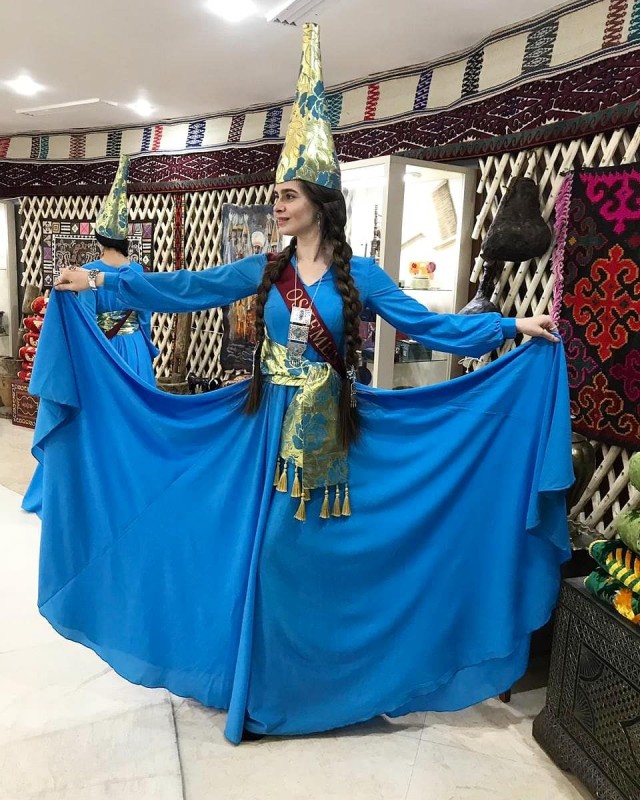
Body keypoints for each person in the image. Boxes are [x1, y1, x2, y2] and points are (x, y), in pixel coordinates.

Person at [41, 23, 571, 745]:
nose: (278, 205)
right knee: (251, 554)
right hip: (260, 431)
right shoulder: (265, 269)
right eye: (277, 195)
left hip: (329, 441)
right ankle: (257, 685)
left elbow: (432, 326)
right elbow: (186, 287)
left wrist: (509, 327)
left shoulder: (363, 276)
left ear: (319, 201)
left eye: (288, 194)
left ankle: (317, 687)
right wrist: (101, 283)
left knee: (305, 564)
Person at [22, 155, 158, 517]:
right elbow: (145, 318)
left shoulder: (87, 273)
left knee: (97, 420)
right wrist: (146, 349)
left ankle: (93, 488)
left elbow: (83, 321)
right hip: (134, 349)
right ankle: (133, 488)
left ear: (99, 237)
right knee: (135, 418)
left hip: (103, 351)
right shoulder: (138, 271)